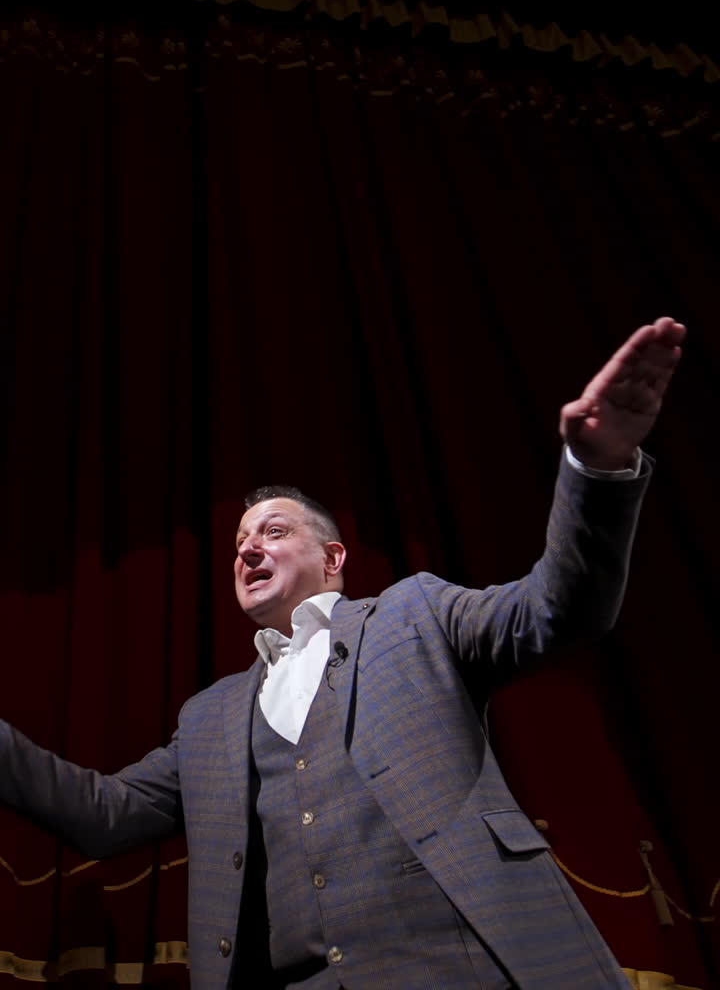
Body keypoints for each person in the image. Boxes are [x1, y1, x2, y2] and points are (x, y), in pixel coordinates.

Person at [0, 318, 685, 989]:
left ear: (333, 558)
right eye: (240, 540)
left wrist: (595, 470)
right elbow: (103, 812)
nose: (247, 549)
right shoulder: (208, 719)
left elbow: (556, 608)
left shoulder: (416, 615)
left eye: (272, 531)